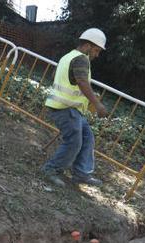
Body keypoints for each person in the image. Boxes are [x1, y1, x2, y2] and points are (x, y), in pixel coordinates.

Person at [41, 28, 110, 187]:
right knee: (74, 142)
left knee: (87, 138)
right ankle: (50, 169)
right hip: (66, 108)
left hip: (70, 108)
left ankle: (81, 173)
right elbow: (82, 82)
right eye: (96, 50)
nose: (97, 55)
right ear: (87, 45)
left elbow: (55, 76)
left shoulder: (67, 57)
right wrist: (97, 104)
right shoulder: (81, 59)